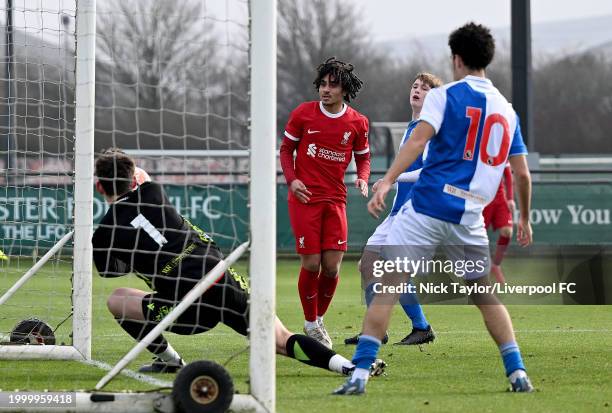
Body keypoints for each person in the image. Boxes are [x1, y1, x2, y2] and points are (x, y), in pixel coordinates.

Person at [334, 22, 534, 395]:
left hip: (425, 211)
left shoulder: (445, 97)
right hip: (470, 217)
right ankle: (517, 372)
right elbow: (521, 174)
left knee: (388, 286)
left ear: (456, 59)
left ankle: (358, 377)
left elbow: (416, 142)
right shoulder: (508, 111)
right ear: (487, 59)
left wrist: (389, 179)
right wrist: (523, 216)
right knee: (484, 295)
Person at [91, 149, 385, 377]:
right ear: (133, 179)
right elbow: (140, 177)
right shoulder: (153, 191)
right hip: (218, 276)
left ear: (99, 188)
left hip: (183, 305)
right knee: (280, 339)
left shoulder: (104, 232)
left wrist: (136, 254)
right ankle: (348, 367)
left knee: (117, 300)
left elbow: (108, 271)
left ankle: (169, 361)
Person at [344, 72, 442, 346]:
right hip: (398, 212)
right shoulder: (412, 128)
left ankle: (420, 327)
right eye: (414, 86)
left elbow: (430, 172)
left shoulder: (431, 129)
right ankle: (379, 330)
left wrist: (393, 178)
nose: (417, 90)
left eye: (424, 88)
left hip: (417, 213)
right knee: (367, 265)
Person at [280, 57, 370, 349]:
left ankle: (317, 320)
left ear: (345, 90)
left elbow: (363, 156)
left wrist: (363, 177)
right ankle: (310, 323)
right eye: (322, 84)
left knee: (332, 267)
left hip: (336, 199)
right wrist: (292, 179)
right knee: (312, 262)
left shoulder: (357, 122)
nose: (325, 89)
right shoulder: (303, 114)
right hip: (304, 198)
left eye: (333, 85)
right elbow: (286, 149)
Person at [484, 163, 514, 283]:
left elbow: (508, 175)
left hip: (500, 197)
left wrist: (510, 198)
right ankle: (484, 269)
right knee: (478, 236)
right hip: (480, 198)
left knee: (507, 231)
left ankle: (495, 265)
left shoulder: (501, 147)